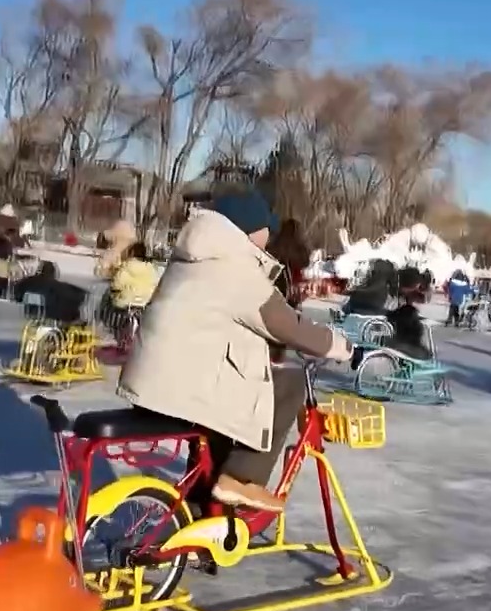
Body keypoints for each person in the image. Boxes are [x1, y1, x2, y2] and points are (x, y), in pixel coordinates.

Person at [118, 192, 350, 513]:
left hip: (152, 386)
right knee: (290, 382)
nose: (268, 240)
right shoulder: (234, 268)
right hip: (181, 392)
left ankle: (198, 516)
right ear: (250, 229)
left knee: (222, 419)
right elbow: (287, 326)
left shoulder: (192, 258)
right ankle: (243, 477)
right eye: (265, 231)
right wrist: (339, 345)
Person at [108, 240, 160, 310]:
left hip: (126, 304)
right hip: (145, 305)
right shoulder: (151, 269)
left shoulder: (125, 267)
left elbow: (116, 285)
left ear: (131, 253)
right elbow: (156, 287)